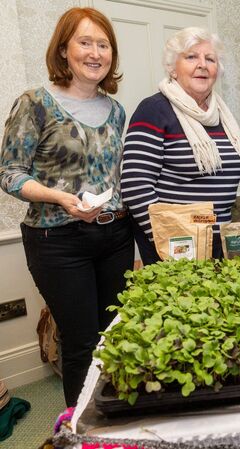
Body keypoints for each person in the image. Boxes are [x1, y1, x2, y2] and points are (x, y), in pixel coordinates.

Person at [0, 8, 134, 406]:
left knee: (114, 336)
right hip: (56, 241)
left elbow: (116, 177)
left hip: (114, 236)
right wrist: (60, 197)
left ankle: (113, 422)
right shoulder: (35, 103)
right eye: (84, 42)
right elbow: (9, 173)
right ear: (63, 50)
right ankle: (80, 431)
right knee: (80, 343)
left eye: (103, 44)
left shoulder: (116, 111)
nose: (95, 52)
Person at [121, 27, 240, 265]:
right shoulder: (154, 110)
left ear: (217, 70)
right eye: (191, 56)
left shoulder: (221, 115)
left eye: (210, 59)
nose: (202, 64)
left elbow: (239, 161)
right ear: (173, 68)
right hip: (175, 243)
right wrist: (166, 238)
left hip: (219, 238)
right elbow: (135, 186)